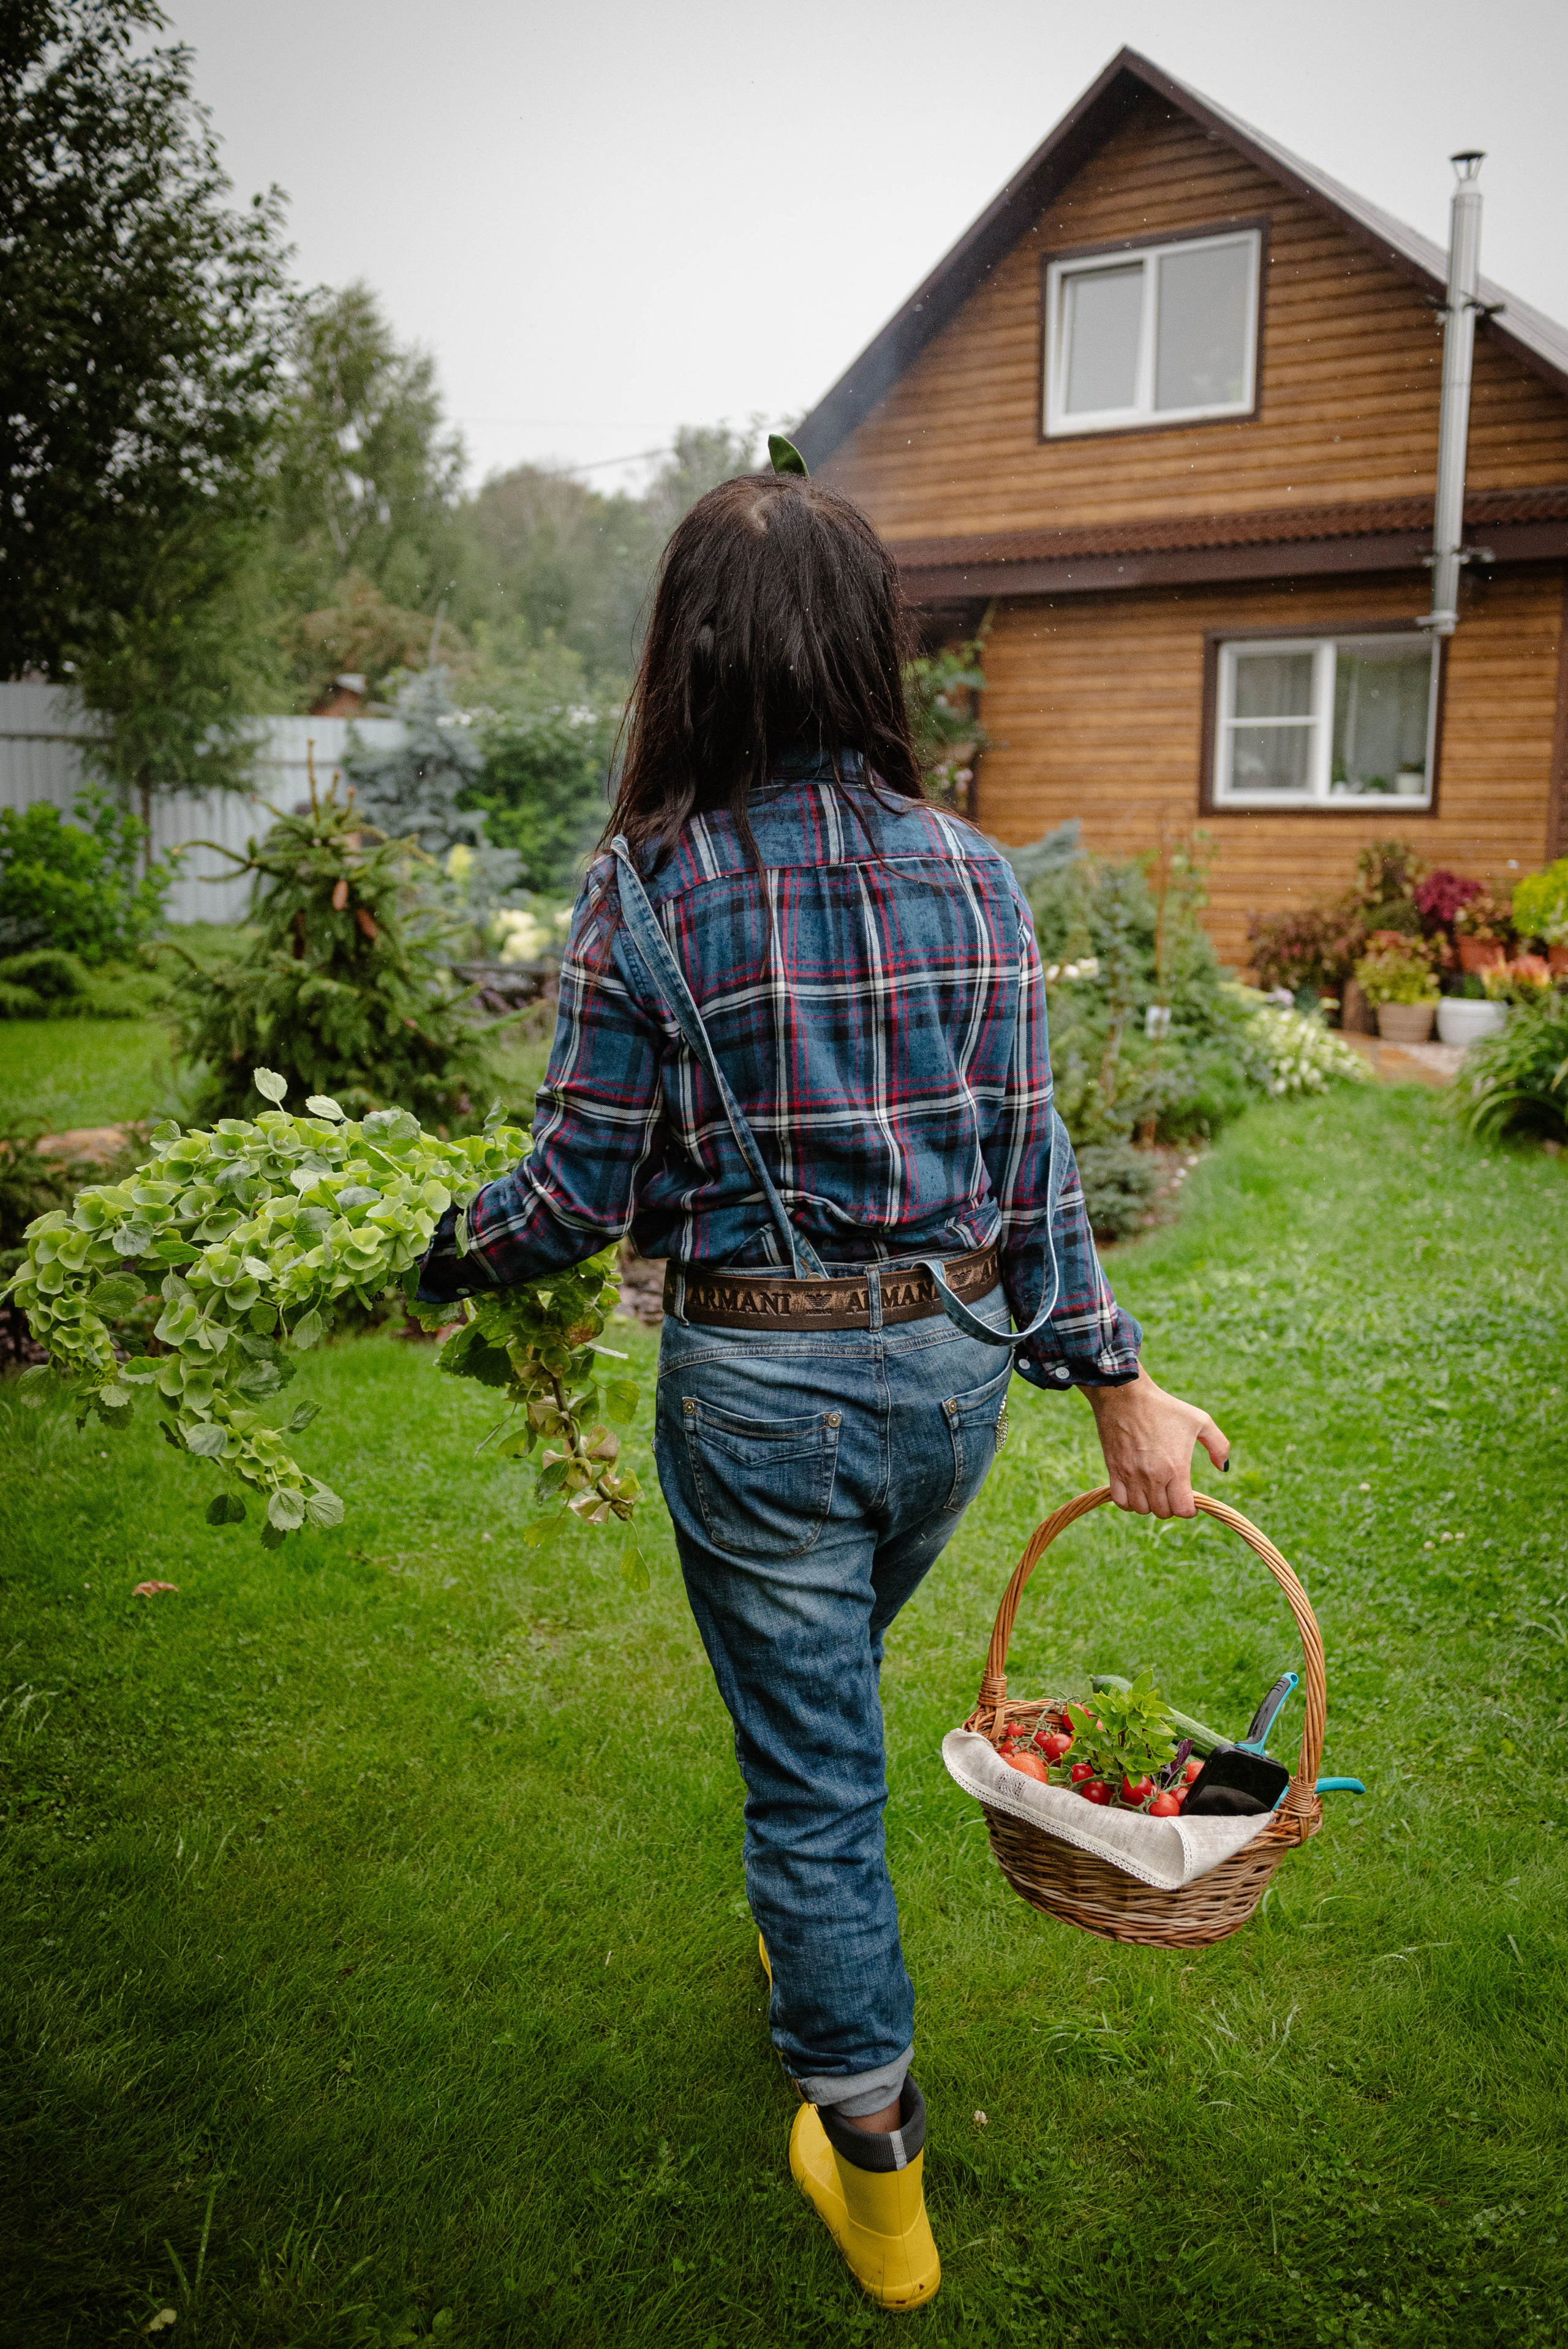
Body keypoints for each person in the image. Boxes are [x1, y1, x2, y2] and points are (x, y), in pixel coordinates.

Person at [418, 470, 1228, 2311]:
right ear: (865, 647)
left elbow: (572, 1202)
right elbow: (1037, 1181)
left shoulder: (649, 883)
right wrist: (1112, 1383)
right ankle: (822, 1952)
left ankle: (872, 2149)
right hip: (950, 1386)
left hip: (763, 1392)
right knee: (825, 1699)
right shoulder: (977, 874)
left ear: (686, 657)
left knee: (810, 1781)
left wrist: (434, 1250)